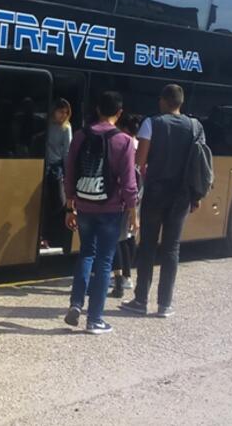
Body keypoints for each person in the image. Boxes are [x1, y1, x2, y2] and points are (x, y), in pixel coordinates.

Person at [121, 84, 204, 318]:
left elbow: (140, 160)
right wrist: (196, 196)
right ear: (180, 103)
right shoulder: (195, 126)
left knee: (147, 245)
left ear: (165, 101)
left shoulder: (152, 123)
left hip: (157, 192)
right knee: (172, 248)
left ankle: (140, 300)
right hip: (182, 195)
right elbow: (199, 163)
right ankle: (165, 304)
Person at [62, 91, 138, 334]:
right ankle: (95, 319)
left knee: (86, 254)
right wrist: (133, 210)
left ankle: (76, 303)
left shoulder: (81, 136)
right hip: (111, 208)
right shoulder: (124, 141)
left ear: (96, 109)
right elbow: (128, 182)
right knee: (104, 261)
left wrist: (69, 204)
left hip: (84, 205)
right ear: (119, 112)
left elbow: (70, 171)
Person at [111, 113, 143, 299]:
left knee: (117, 239)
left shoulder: (124, 143)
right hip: (137, 194)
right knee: (129, 236)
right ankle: (128, 275)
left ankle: (120, 279)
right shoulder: (139, 144)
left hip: (124, 196)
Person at [41, 98, 73, 249]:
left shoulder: (66, 128)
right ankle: (44, 236)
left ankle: (52, 236)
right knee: (44, 204)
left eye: (66, 112)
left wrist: (68, 174)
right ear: (54, 111)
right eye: (61, 111)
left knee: (59, 203)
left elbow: (67, 152)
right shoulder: (46, 124)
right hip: (43, 166)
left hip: (56, 169)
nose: (63, 115)